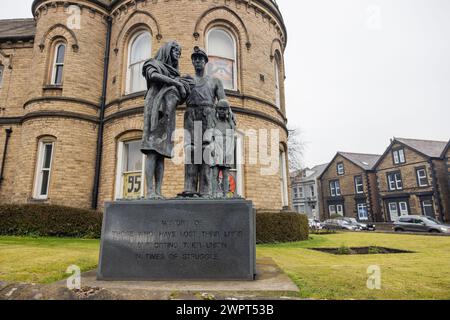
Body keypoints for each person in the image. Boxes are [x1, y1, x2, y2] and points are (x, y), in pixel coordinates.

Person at [141, 41, 193, 199]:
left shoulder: (175, 73)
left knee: (161, 152)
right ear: (167, 50)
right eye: (176, 50)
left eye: (180, 52)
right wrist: (174, 82)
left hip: (168, 112)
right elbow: (153, 75)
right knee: (151, 150)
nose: (178, 54)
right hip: (154, 107)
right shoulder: (153, 63)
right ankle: (149, 191)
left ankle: (158, 191)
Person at [182, 46, 226, 197]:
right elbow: (178, 97)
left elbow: (223, 101)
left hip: (207, 116)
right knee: (191, 152)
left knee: (206, 153)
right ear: (193, 62)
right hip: (191, 116)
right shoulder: (187, 80)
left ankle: (205, 190)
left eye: (201, 59)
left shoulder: (215, 81)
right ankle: (190, 188)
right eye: (195, 59)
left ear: (205, 62)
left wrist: (230, 115)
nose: (198, 61)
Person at [211, 99, 237, 198]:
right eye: (220, 109)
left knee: (226, 174)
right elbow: (210, 137)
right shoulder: (214, 122)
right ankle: (213, 194)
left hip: (227, 151)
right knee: (215, 174)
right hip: (217, 150)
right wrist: (212, 148)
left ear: (227, 111)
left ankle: (226, 194)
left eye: (224, 109)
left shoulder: (230, 124)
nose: (222, 111)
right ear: (217, 110)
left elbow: (232, 137)